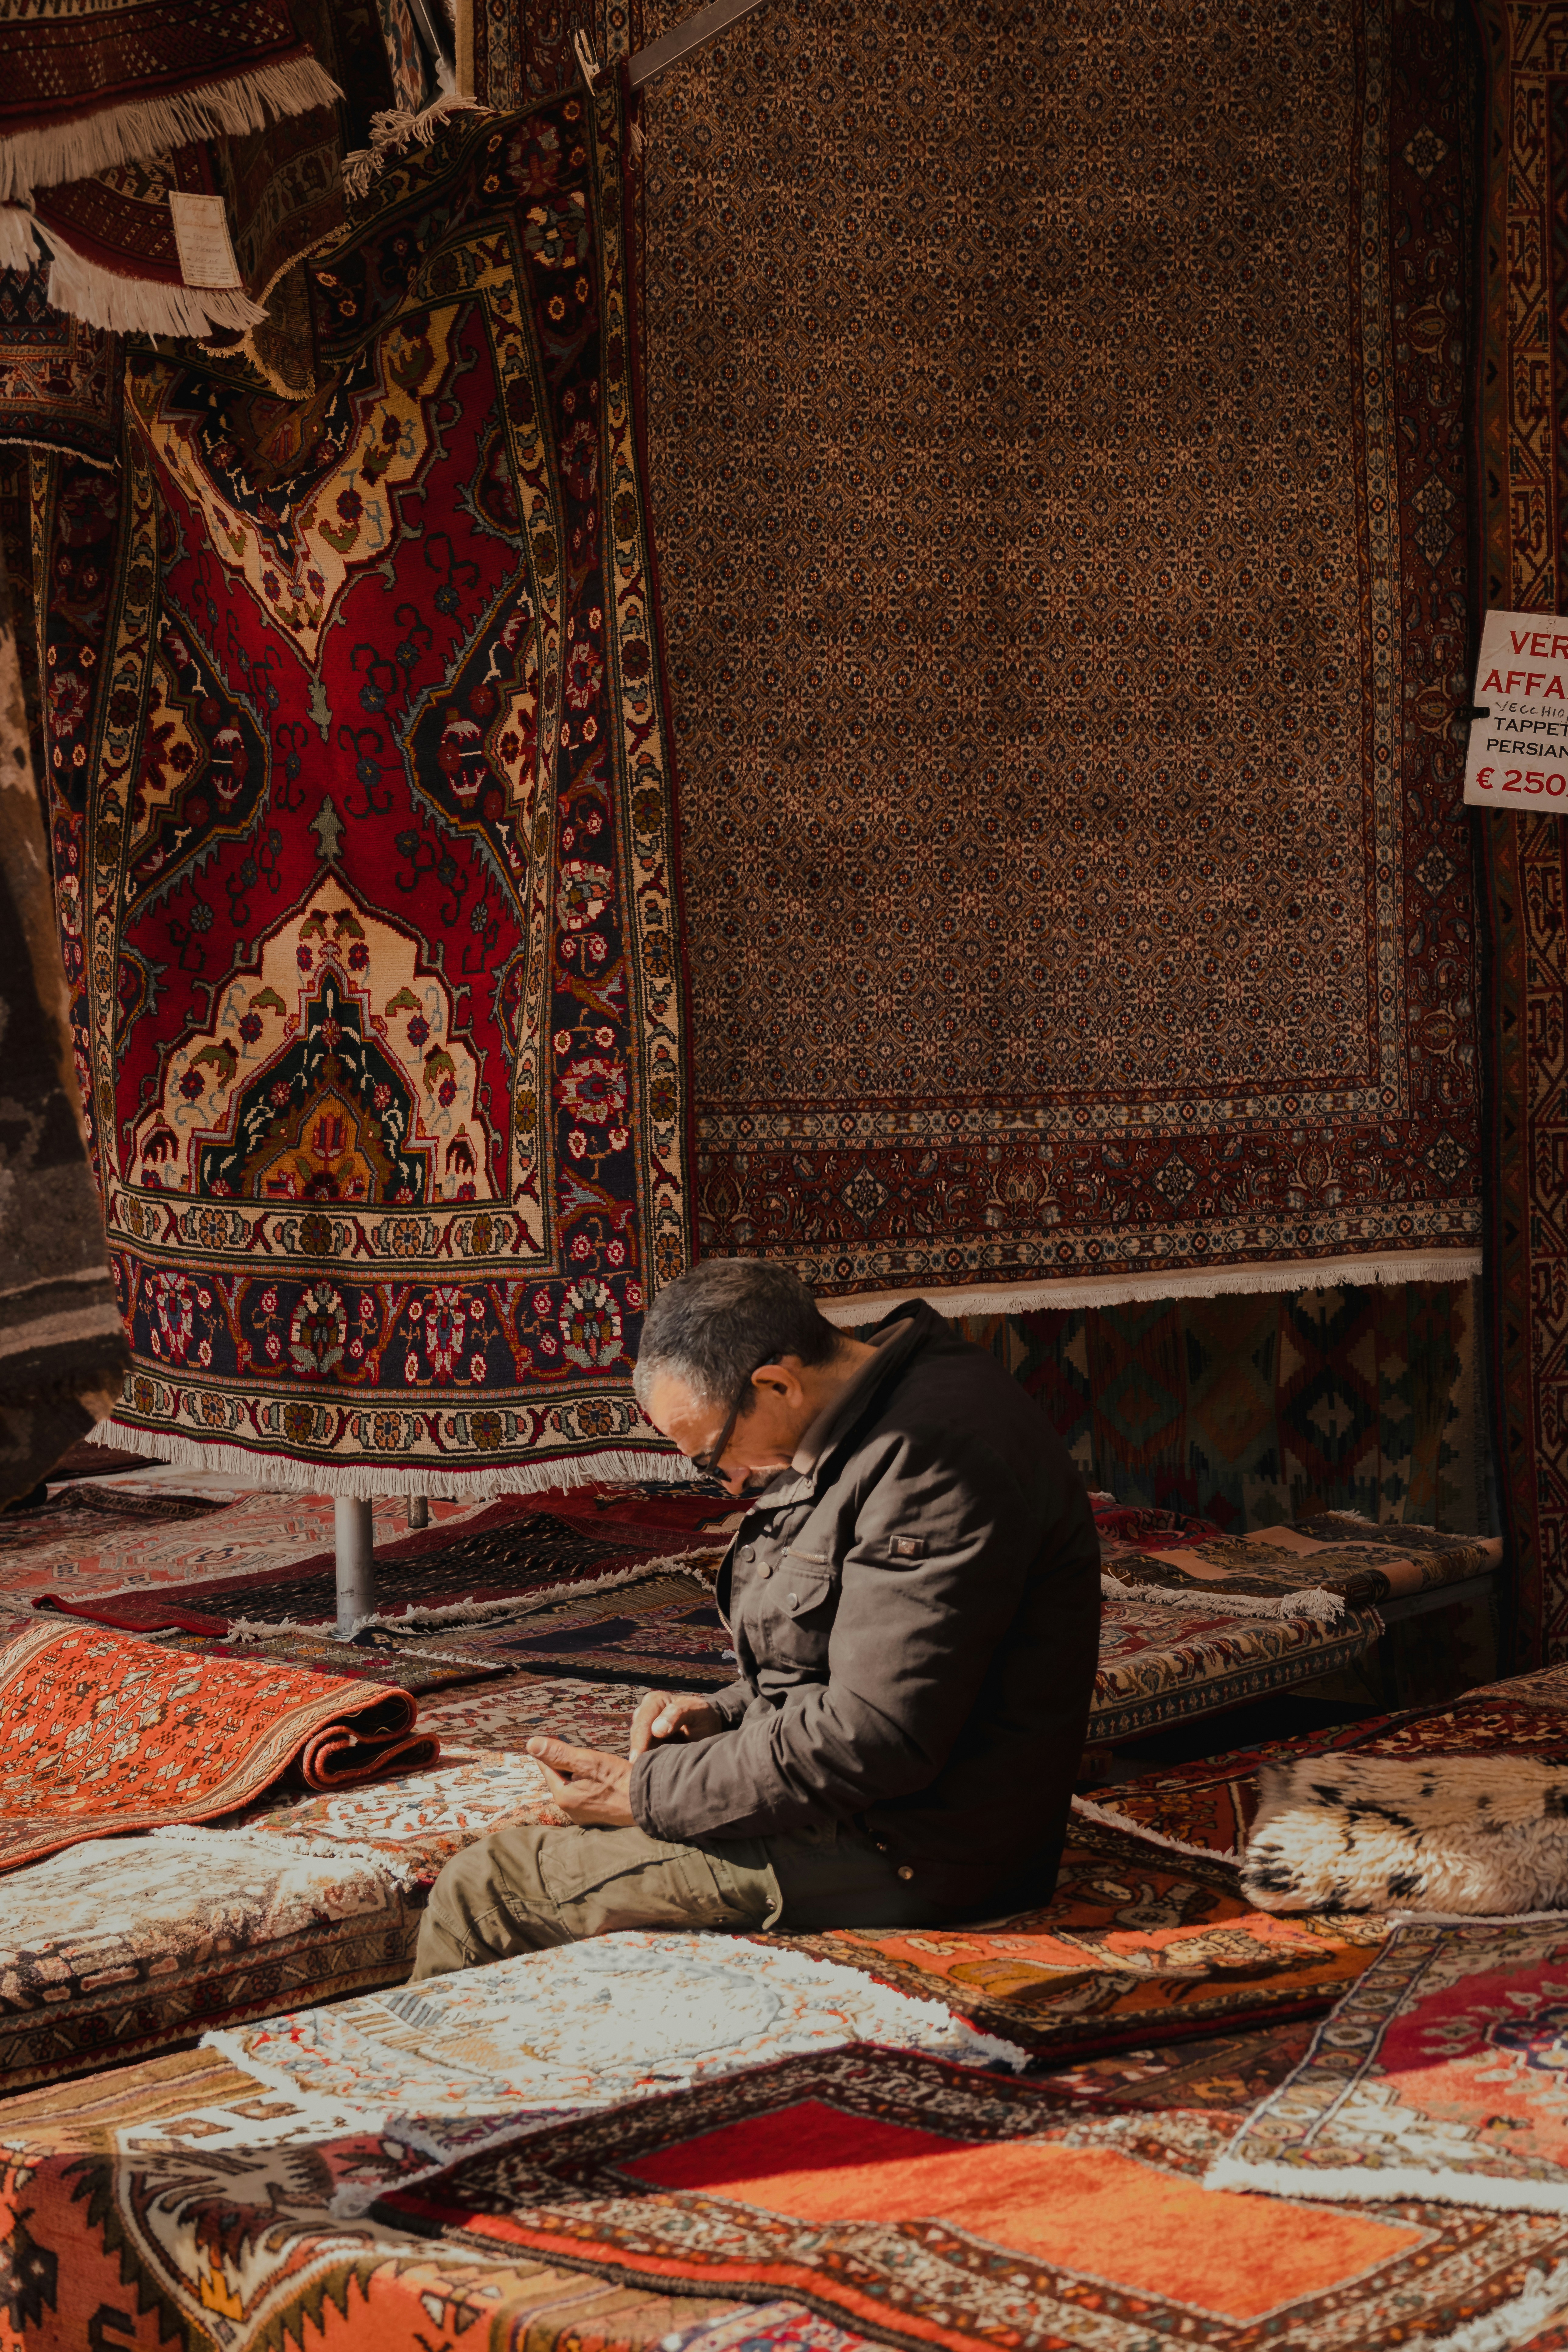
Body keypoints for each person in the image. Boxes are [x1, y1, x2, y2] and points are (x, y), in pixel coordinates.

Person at [410, 1262, 1101, 1976]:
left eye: (714, 1455)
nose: (730, 1481)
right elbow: (863, 1657)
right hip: (879, 1808)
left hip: (912, 1848)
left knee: (488, 1889)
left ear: (777, 1384)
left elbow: (876, 1736)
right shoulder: (881, 1411)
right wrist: (725, 1714)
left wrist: (642, 1795)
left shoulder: (930, 1462)